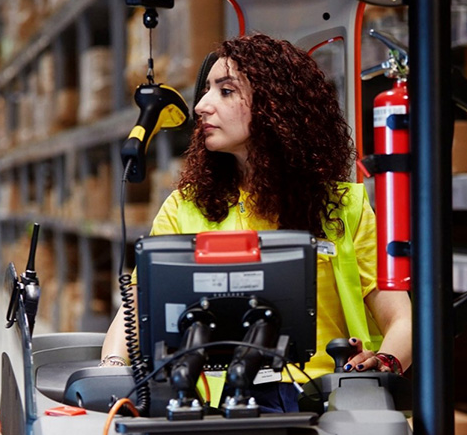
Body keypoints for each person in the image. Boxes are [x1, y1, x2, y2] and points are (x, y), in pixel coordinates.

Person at [101, 33, 412, 412]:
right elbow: (134, 310)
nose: (201, 106)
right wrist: (111, 370)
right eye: (206, 90)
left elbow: (402, 318)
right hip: (207, 409)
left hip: (330, 403)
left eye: (225, 91)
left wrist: (385, 363)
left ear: (273, 105)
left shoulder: (344, 208)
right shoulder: (183, 208)